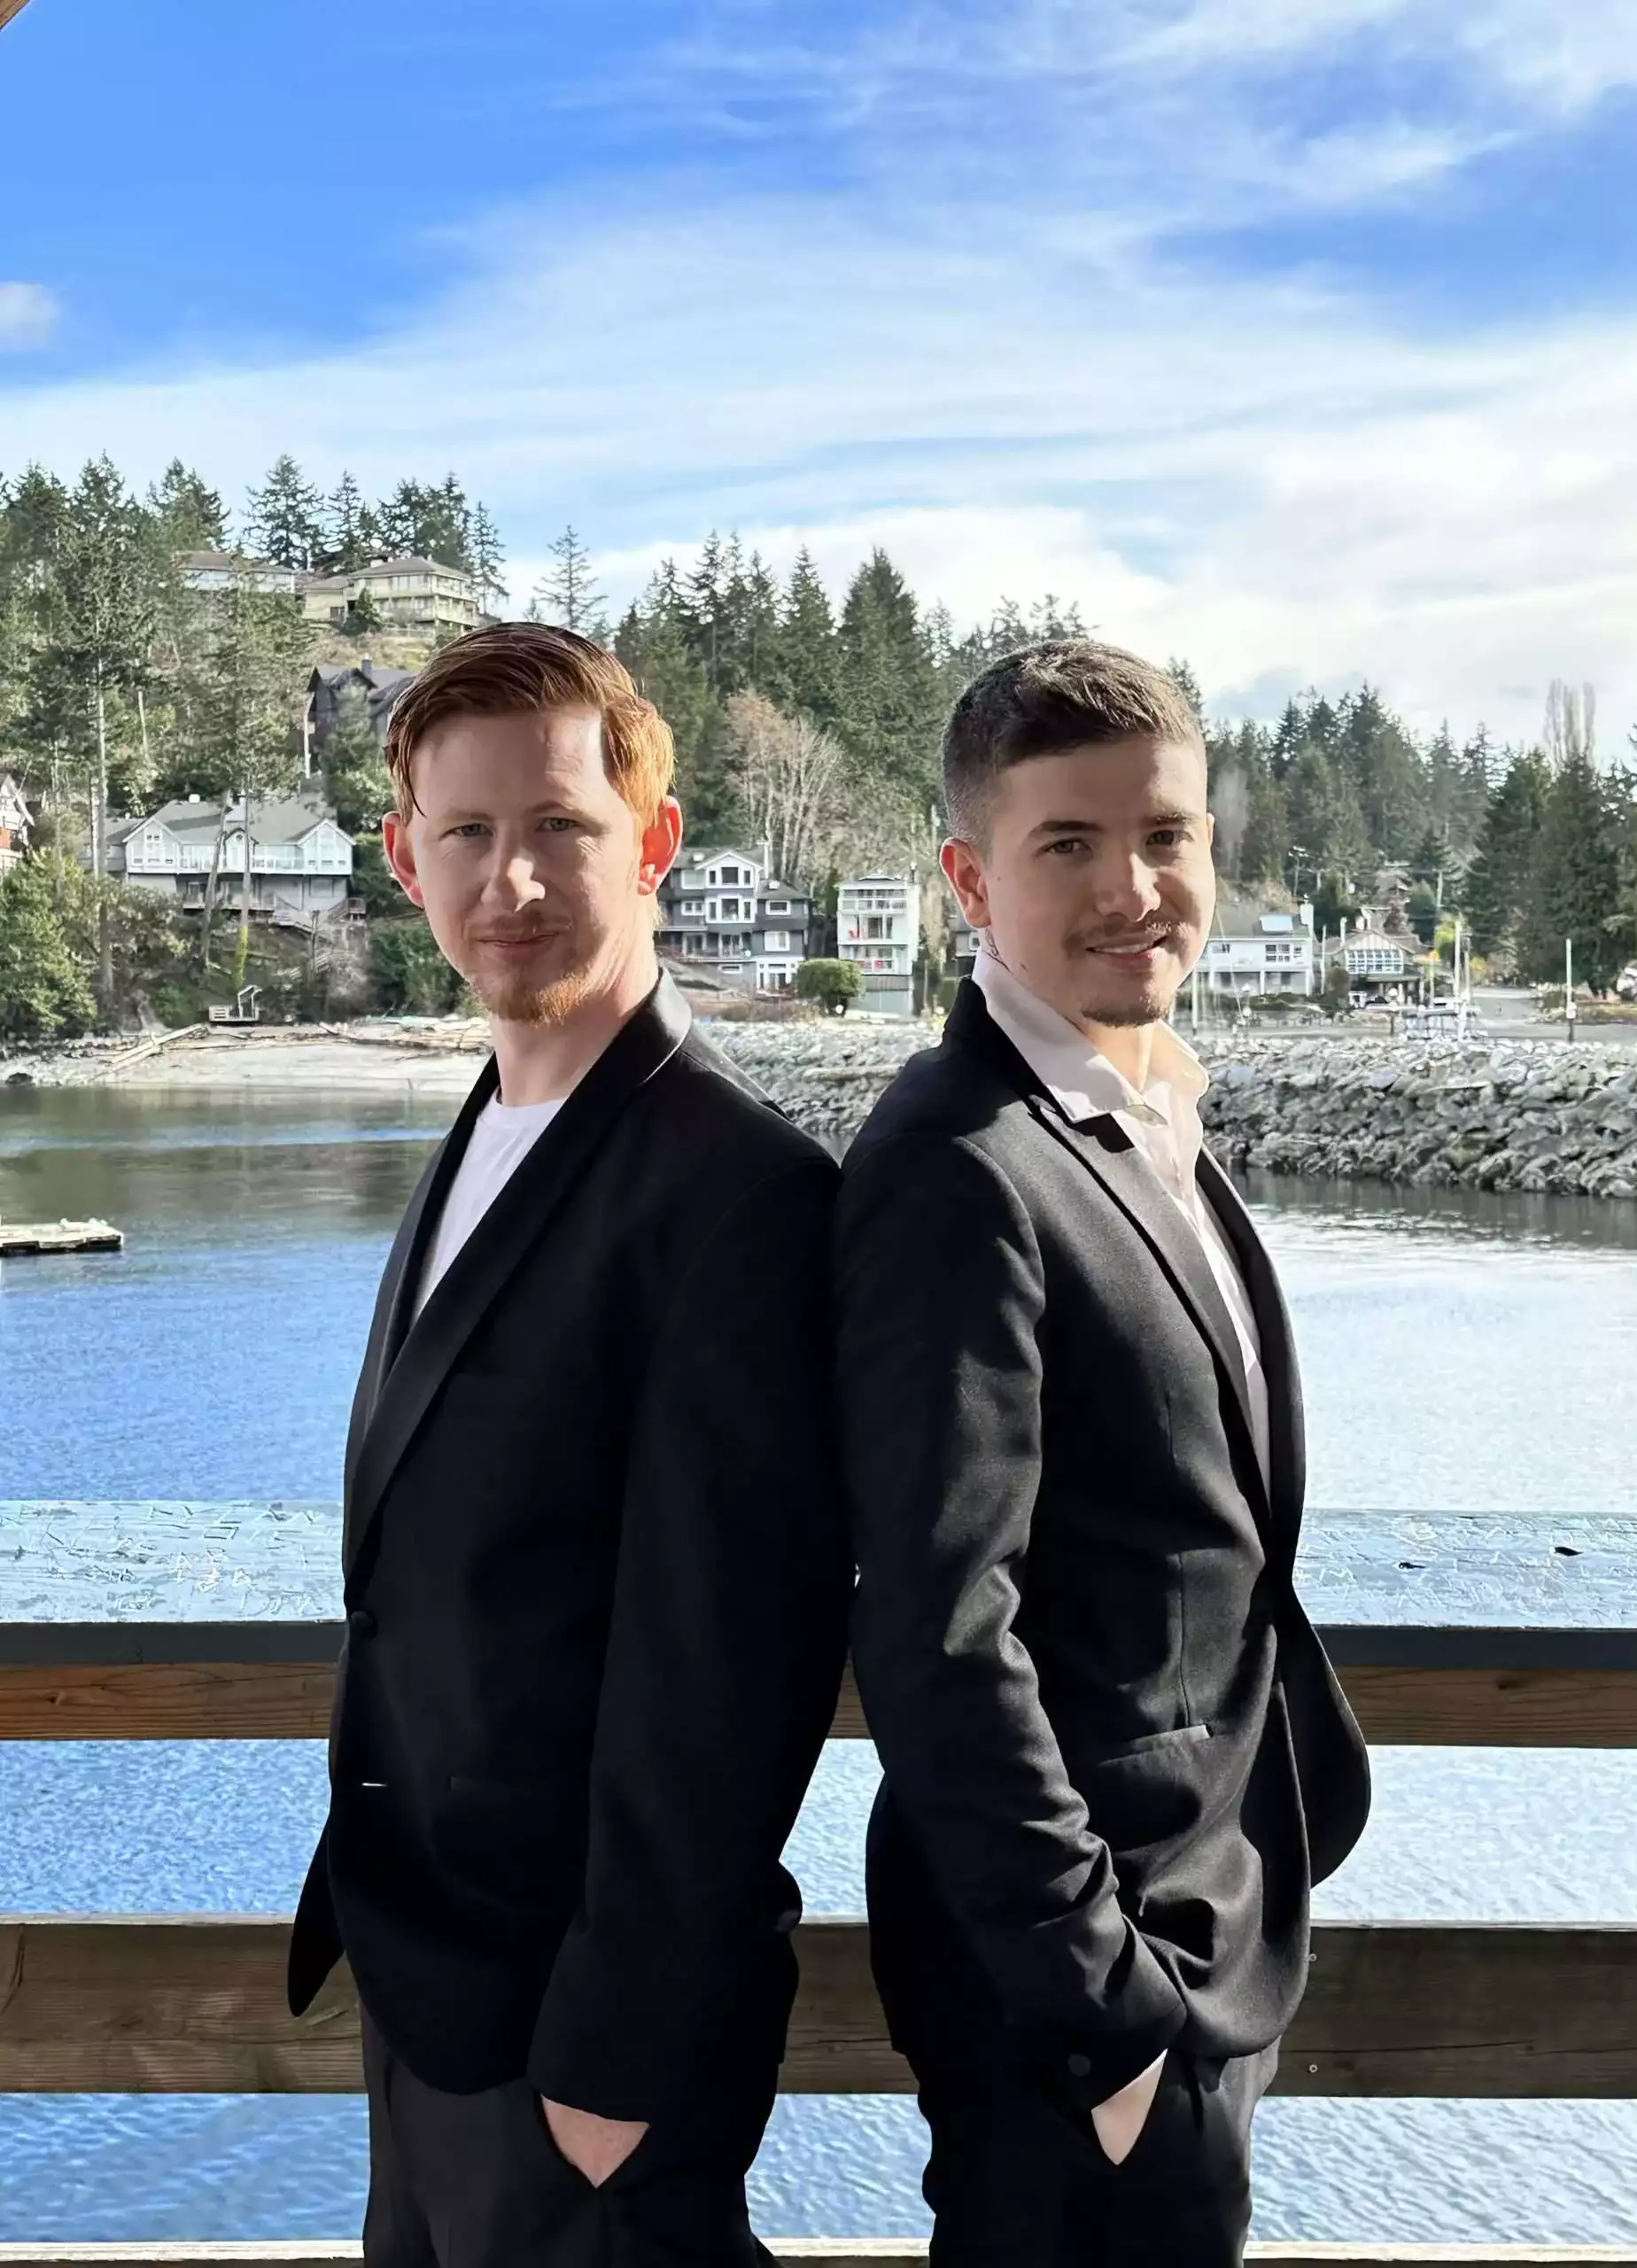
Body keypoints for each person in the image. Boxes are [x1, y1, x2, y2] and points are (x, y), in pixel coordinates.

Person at [288, 624, 850, 2267]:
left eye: (559, 828)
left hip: (591, 2049)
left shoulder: (742, 1199)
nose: (509, 880)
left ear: (654, 841)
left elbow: (733, 1677)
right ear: (405, 859)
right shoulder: (483, 1129)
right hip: (428, 1983)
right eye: (466, 834)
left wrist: (612, 2060)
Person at [834, 641, 1372, 2266]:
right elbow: (939, 1630)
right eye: (1066, 844)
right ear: (967, 878)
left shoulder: (1136, 1116)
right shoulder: (959, 1166)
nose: (1133, 887)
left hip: (1200, 1934)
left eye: (1166, 836)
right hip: (1081, 1999)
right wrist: (1111, 2022)